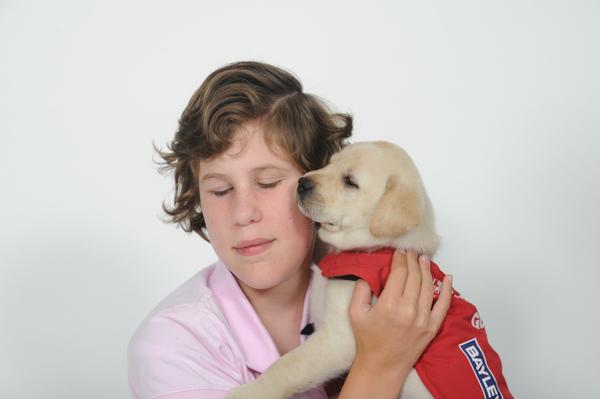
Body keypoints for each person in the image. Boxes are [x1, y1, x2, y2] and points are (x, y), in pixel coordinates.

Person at [127, 61, 453, 399]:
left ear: (317, 183)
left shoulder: (387, 285)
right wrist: (379, 365)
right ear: (197, 196)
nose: (243, 214)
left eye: (267, 183)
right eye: (220, 191)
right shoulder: (169, 348)